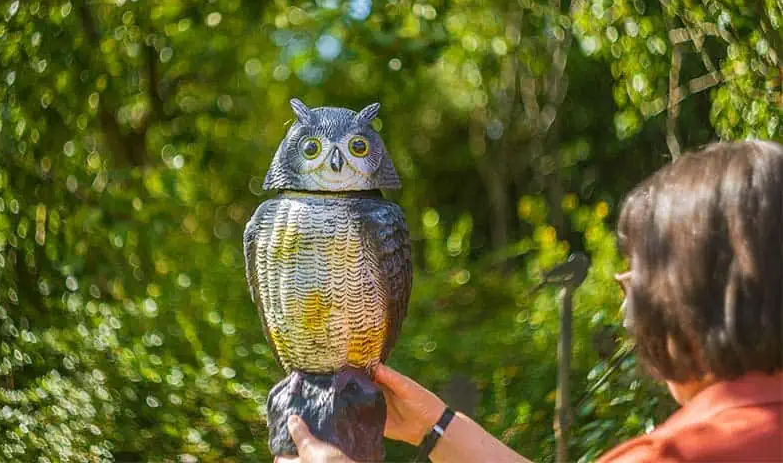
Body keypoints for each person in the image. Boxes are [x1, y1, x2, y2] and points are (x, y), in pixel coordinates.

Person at [278, 140, 783, 462]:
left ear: (688, 294)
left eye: (634, 286)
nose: (629, 316)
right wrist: (438, 429)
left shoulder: (678, 454)